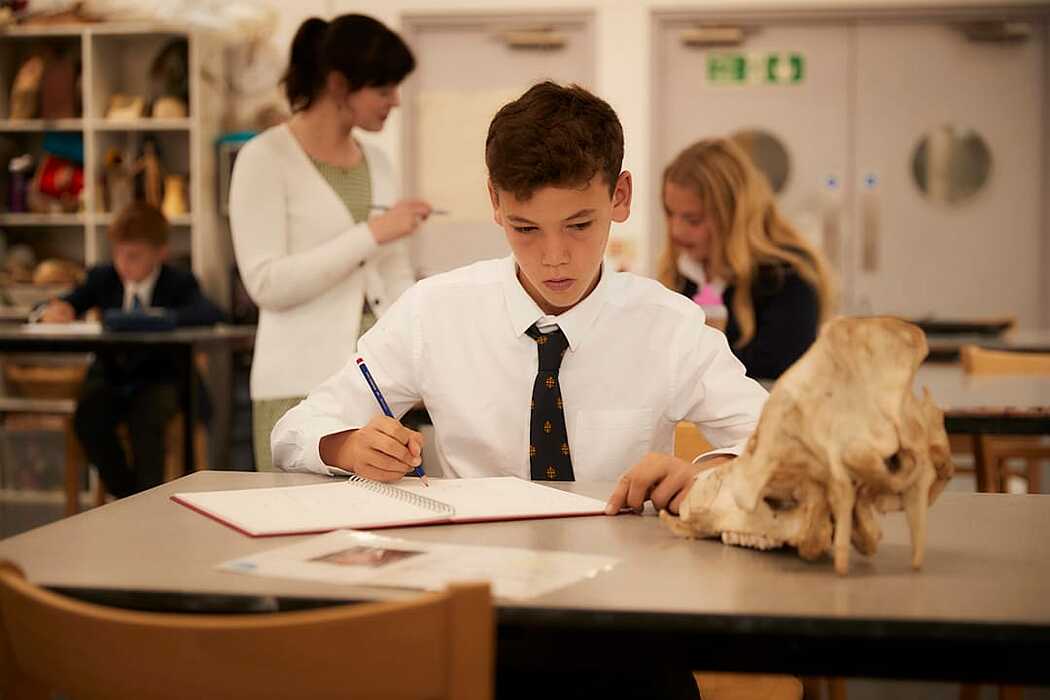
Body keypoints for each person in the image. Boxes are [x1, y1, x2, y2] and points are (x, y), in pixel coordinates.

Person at [273, 81, 767, 699]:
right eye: (525, 227)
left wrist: (707, 473)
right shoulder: (435, 313)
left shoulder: (668, 325)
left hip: (626, 625)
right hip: (474, 617)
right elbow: (295, 427)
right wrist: (343, 444)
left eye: (580, 224)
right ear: (495, 204)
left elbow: (774, 444)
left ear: (620, 197)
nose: (554, 257)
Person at [229, 14, 432, 471]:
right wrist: (372, 234)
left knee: (386, 529)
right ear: (340, 85)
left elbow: (394, 275)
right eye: (383, 90)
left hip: (377, 386)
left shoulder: (378, 162)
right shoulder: (263, 158)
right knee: (298, 528)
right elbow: (266, 284)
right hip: (294, 384)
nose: (395, 101)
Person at [39, 201, 224, 497]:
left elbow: (210, 313)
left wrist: (156, 319)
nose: (123, 263)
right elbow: (58, 303)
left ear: (160, 252)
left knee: (147, 419)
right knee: (88, 416)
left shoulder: (178, 281)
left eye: (134, 255)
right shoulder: (103, 277)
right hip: (112, 377)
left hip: (161, 378)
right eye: (118, 254)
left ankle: (146, 504)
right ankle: (129, 497)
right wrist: (55, 310)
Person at [658, 137, 835, 380]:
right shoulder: (679, 274)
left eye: (693, 220)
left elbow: (776, 369)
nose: (676, 231)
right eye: (670, 213)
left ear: (733, 216)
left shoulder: (788, 276)